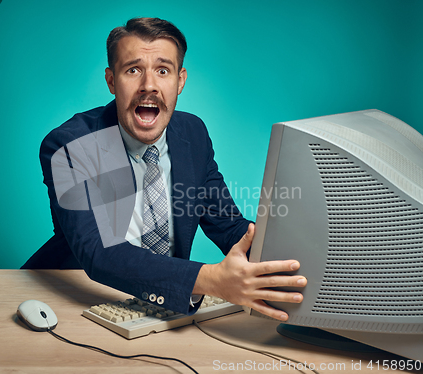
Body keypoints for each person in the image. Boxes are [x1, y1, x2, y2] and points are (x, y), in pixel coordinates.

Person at [22, 17, 306, 320]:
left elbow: (229, 226)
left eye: (162, 70)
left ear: (180, 80)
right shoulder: (70, 146)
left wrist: (299, 262)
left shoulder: (193, 133)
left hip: (163, 308)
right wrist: (211, 280)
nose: (149, 86)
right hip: (74, 306)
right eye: (133, 70)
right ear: (111, 81)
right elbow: (100, 253)